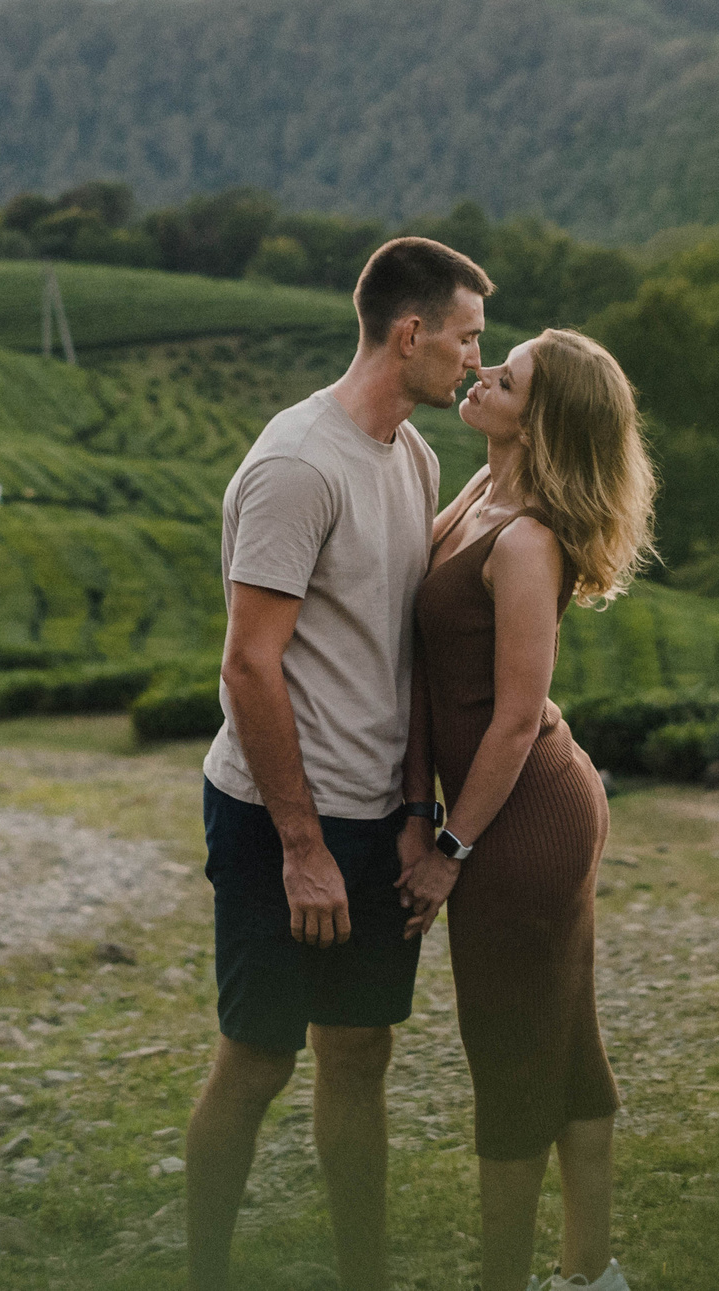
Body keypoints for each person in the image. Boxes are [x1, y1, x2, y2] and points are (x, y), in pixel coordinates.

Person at [185, 236, 492, 1291]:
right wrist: (302, 847)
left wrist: (414, 811)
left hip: (375, 817)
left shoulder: (414, 457)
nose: (474, 362)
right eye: (465, 338)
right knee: (260, 1059)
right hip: (278, 817)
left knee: (360, 1057)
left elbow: (398, 651)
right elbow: (247, 666)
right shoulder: (294, 466)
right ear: (409, 334)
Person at [397, 329, 657, 1291]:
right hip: (513, 805)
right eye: (493, 363)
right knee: (565, 1046)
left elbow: (510, 723)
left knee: (511, 1059)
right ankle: (593, 1279)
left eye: (508, 380)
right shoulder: (479, 493)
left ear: (540, 420)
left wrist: (447, 846)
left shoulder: (529, 538)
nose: (482, 376)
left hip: (523, 819)